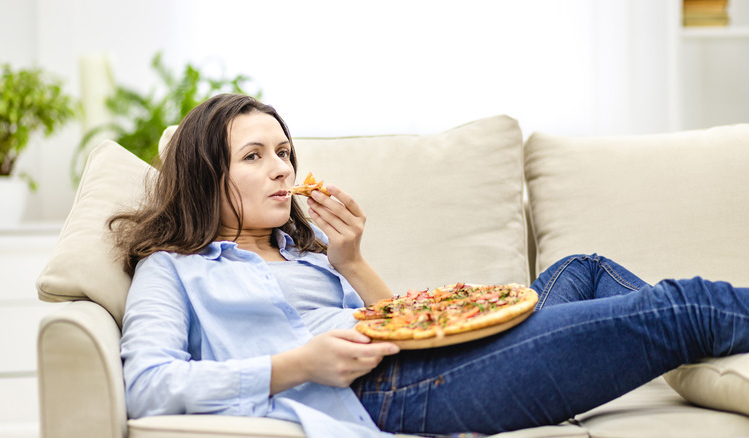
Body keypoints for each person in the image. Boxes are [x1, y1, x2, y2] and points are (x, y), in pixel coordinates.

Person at [114, 94, 749, 437]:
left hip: (426, 356)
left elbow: (400, 325)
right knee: (678, 307)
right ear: (205, 175)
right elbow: (146, 384)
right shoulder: (172, 269)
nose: (281, 168)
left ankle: (710, 369)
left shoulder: (301, 254)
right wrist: (298, 366)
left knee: (583, 267)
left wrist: (353, 262)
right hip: (388, 396)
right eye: (253, 156)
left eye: (283, 151)